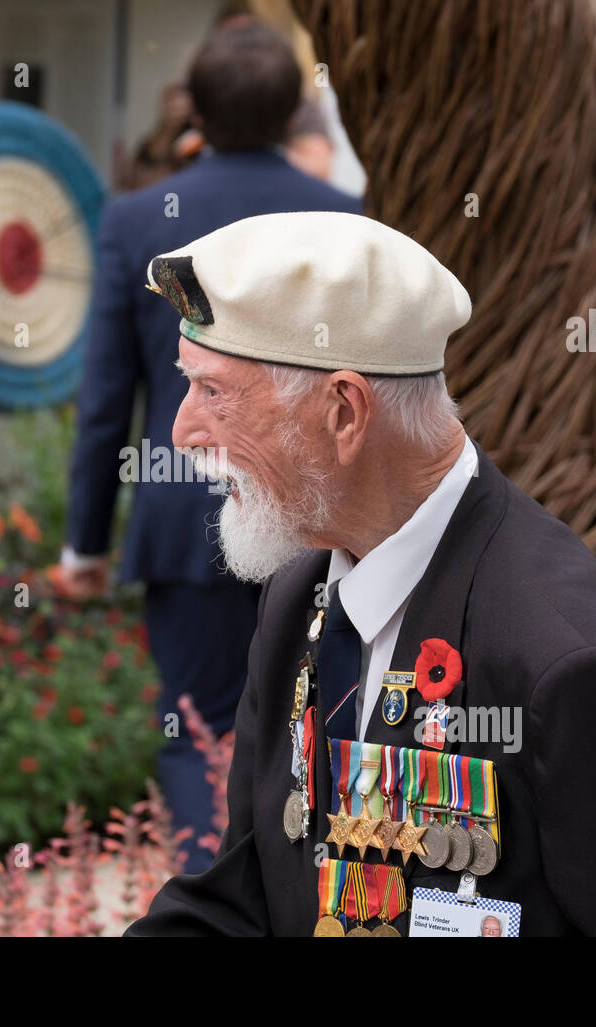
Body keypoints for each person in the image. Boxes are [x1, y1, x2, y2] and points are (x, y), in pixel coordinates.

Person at [124, 210, 596, 936]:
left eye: (214, 394)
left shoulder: (564, 665)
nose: (182, 432)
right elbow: (252, 892)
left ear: (344, 412)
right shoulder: (304, 588)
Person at [61, 21, 362, 874]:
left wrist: (85, 542)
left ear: (195, 105)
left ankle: (210, 902)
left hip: (179, 510)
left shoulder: (132, 219)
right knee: (316, 727)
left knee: (196, 731)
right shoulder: (342, 217)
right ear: (290, 108)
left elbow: (105, 399)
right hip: (312, 514)